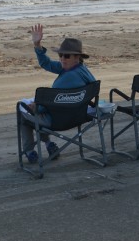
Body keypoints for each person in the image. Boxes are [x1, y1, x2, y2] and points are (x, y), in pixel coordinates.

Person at [18, 23, 97, 164]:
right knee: (37, 111)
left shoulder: (68, 78)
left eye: (66, 56)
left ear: (77, 57)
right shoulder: (80, 70)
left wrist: (36, 107)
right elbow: (46, 64)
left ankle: (30, 151)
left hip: (59, 120)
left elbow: (49, 104)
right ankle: (49, 145)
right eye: (60, 55)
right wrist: (37, 45)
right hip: (79, 115)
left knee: (24, 115)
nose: (62, 59)